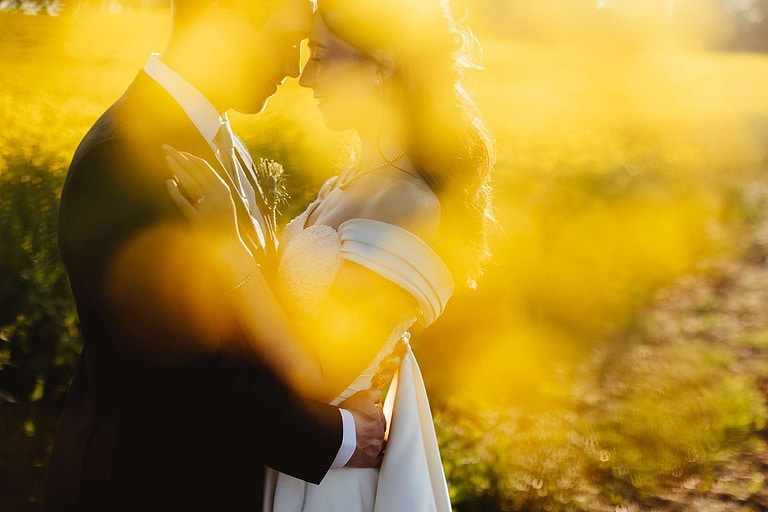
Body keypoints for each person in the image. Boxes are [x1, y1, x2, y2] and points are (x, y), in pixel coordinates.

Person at [45, 0, 396, 510]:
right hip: (144, 486)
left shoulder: (215, 136)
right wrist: (338, 438)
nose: (297, 71)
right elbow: (176, 376)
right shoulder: (126, 157)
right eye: (287, 41)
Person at [164, 0, 496, 509]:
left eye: (320, 55)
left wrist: (227, 247)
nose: (304, 75)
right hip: (293, 455)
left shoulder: (407, 205)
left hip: (333, 483)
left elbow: (321, 373)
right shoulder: (347, 183)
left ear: (382, 63)